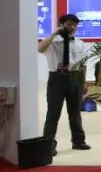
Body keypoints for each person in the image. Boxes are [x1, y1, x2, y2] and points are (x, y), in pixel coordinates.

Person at [37, 13, 92, 151]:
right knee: (53, 114)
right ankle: (48, 145)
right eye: (69, 24)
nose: (72, 27)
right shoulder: (52, 42)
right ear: (61, 25)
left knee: (75, 113)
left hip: (75, 78)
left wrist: (83, 83)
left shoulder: (80, 43)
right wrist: (54, 34)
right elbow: (40, 48)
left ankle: (78, 141)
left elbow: (83, 65)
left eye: (75, 25)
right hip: (57, 78)